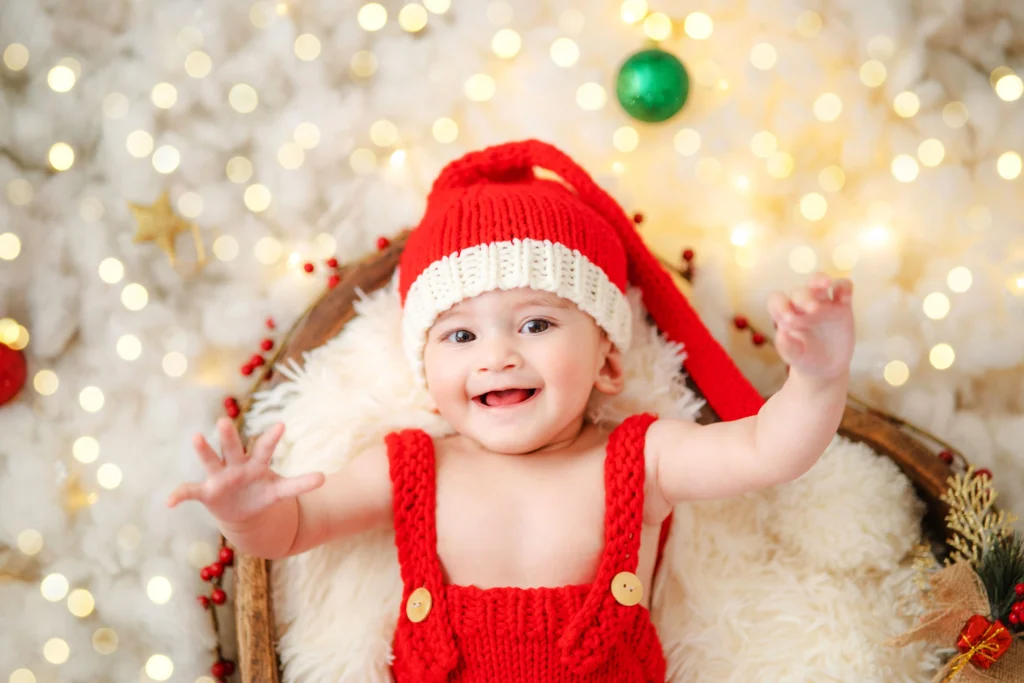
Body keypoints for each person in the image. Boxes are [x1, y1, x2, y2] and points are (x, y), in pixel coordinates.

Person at [167, 140, 855, 682]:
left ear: (609, 362)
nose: (497, 355)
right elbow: (291, 529)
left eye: (535, 324)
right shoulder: (413, 466)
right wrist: (247, 510)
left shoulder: (637, 458)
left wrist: (818, 377)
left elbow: (769, 448)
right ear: (427, 373)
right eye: (461, 335)